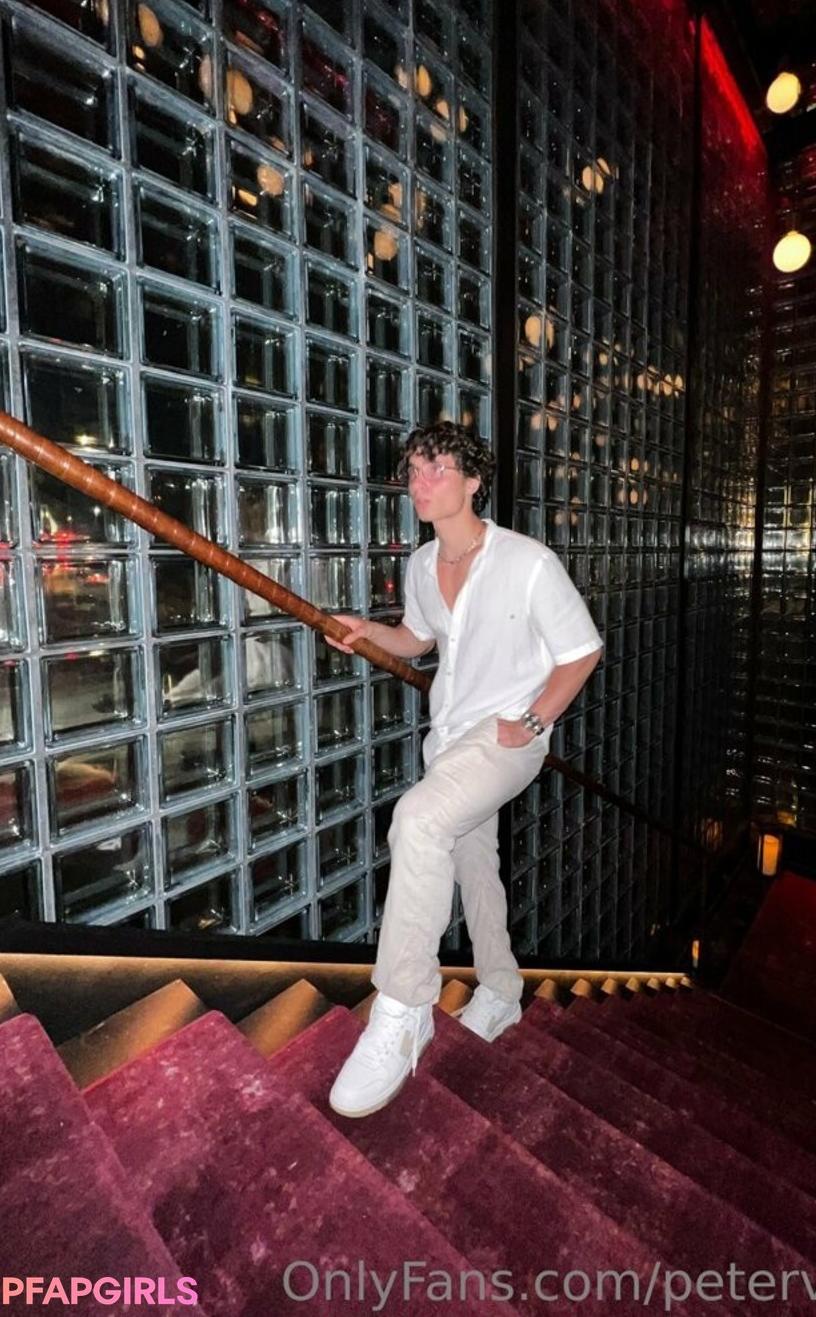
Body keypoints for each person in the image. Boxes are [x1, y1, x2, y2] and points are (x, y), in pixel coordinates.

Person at [326, 422, 602, 1117]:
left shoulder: (528, 562)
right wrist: (369, 631)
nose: (420, 483)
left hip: (504, 740)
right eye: (414, 471)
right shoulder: (423, 564)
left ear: (474, 481)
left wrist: (534, 721)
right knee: (476, 866)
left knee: (418, 821)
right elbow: (419, 638)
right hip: (449, 738)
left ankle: (403, 1008)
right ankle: (502, 990)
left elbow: (582, 651)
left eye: (438, 469)